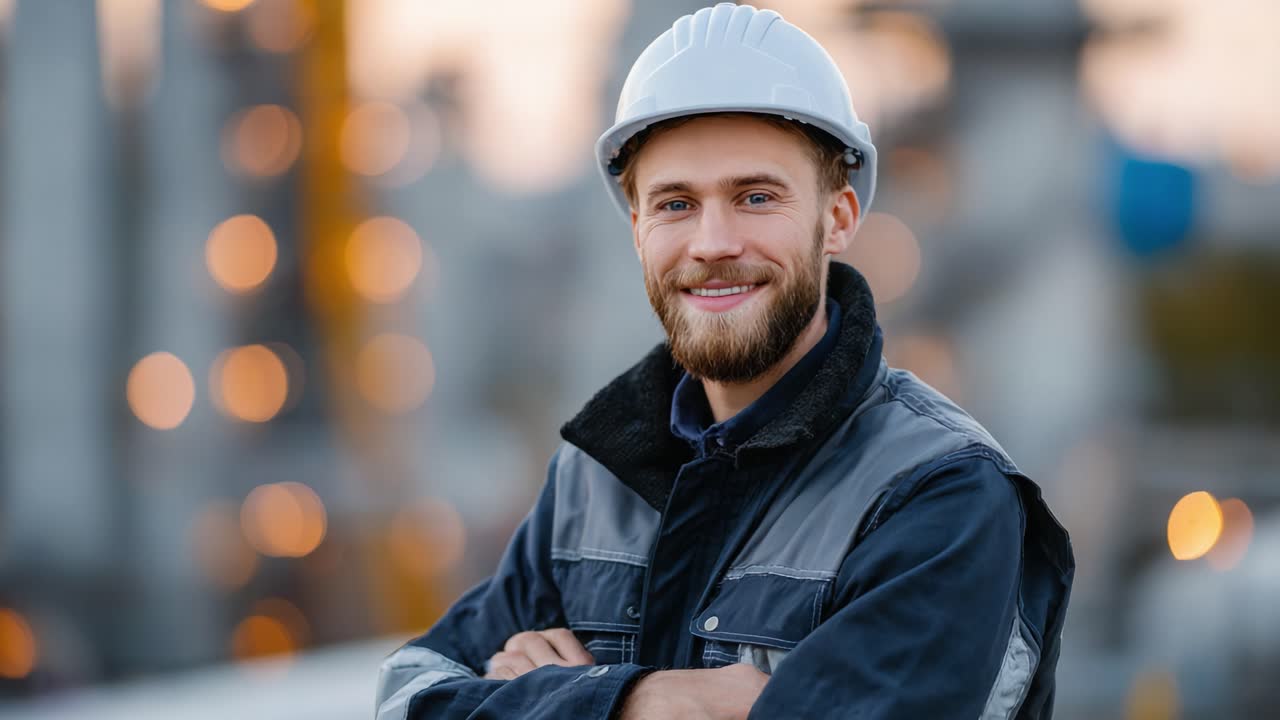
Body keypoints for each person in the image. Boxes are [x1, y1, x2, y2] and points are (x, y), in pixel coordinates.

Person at [375, 4, 1073, 718]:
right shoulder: (595, 479)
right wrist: (643, 701)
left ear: (838, 218)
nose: (713, 241)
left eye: (756, 196)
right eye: (676, 204)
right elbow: (407, 692)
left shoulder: (939, 497)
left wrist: (535, 696)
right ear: (638, 228)